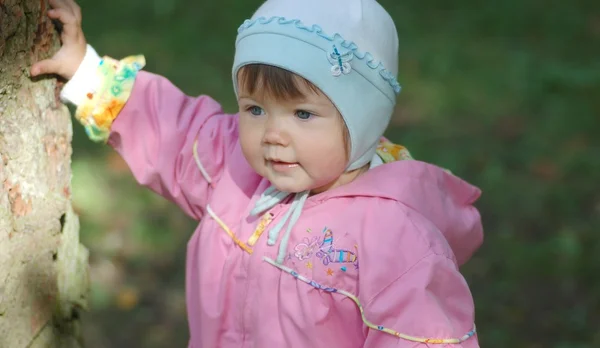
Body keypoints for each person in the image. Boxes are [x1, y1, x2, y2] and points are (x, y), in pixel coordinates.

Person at [31, 0, 484, 346]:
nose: (273, 134)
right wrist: (86, 71)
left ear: (361, 119)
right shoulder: (234, 166)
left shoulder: (393, 238)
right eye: (255, 108)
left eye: (303, 115)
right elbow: (170, 129)